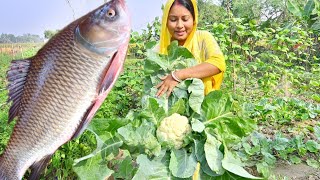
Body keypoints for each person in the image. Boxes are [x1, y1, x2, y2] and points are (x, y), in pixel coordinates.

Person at [155, 0, 226, 97]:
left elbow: (218, 63)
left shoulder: (203, 38)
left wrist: (177, 76)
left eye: (185, 19)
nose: (179, 25)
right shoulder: (160, 48)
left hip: (204, 107)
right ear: (166, 22)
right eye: (173, 20)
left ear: (193, 20)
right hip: (170, 109)